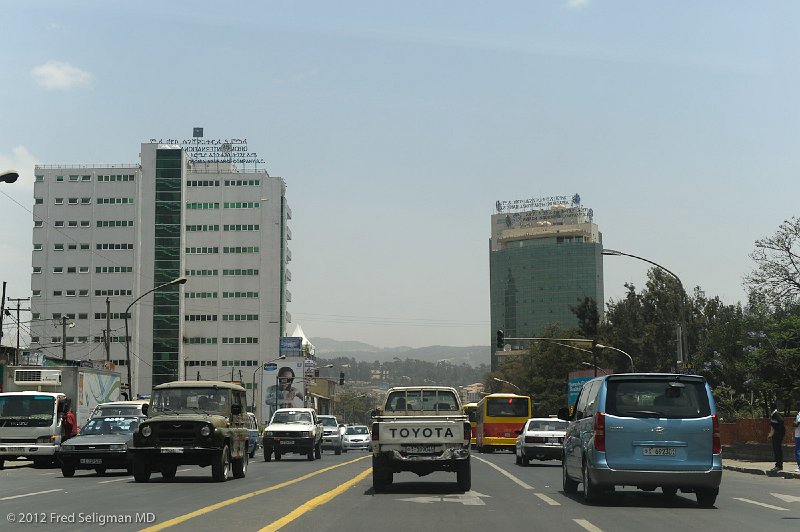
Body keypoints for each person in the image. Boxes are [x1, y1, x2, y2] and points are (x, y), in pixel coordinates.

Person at [768, 401, 785, 473]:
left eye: (770, 406)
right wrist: (771, 434)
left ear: (772, 407)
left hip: (778, 435)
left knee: (777, 450)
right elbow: (773, 425)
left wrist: (778, 431)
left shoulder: (776, 414)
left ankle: (779, 466)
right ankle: (777, 465)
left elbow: (781, 421)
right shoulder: (773, 414)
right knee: (776, 450)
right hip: (776, 434)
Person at [794, 400, 800, 473]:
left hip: (798, 435)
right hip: (798, 434)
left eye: (797, 405)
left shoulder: (799, 414)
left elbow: (796, 424)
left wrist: (794, 423)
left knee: (798, 451)